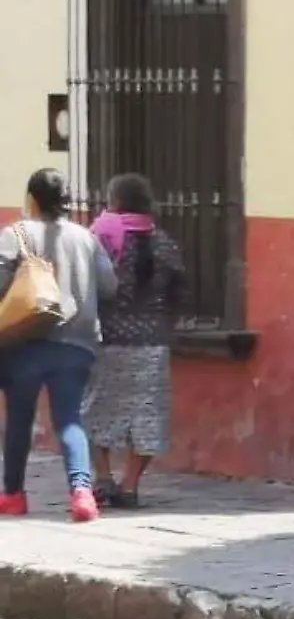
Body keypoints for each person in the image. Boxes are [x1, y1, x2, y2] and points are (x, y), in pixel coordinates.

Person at [0, 168, 117, 522]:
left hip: (25, 342)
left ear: (32, 199)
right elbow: (109, 286)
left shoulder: (15, 234)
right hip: (77, 343)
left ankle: (13, 495)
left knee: (19, 420)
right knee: (69, 419)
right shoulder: (86, 238)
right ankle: (82, 493)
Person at [87, 173, 189, 509]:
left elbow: (90, 286)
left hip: (108, 340)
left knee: (95, 412)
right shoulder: (165, 243)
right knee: (146, 418)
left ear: (114, 202)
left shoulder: (101, 239)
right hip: (152, 344)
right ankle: (130, 486)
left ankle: (102, 479)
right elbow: (180, 292)